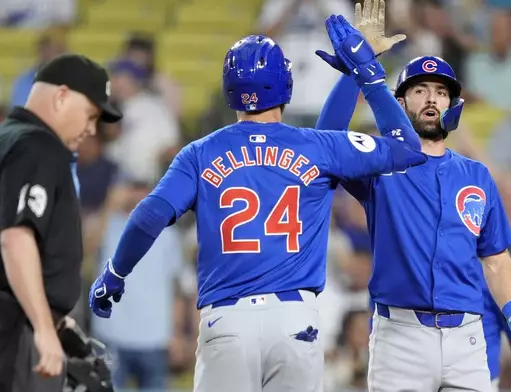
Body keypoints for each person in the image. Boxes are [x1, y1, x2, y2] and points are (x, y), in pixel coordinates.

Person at [88, 25, 428, 392]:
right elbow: (407, 148)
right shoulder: (314, 147)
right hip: (296, 321)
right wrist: (366, 74)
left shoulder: (200, 152)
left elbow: (149, 215)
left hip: (227, 321)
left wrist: (115, 273)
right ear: (285, 83)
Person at [314, 2, 511, 391]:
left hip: (468, 338)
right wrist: (355, 71)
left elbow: (495, 259)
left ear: (452, 105)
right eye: (419, 90)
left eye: (440, 92)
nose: (430, 98)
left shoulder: (477, 175)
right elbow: (325, 148)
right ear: (400, 101)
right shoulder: (379, 161)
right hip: (400, 337)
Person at [0, 53, 122, 392]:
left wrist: (56, 319)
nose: (91, 129)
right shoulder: (38, 146)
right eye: (90, 115)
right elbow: (17, 237)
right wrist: (42, 324)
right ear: (61, 96)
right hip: (15, 332)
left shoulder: (9, 138)